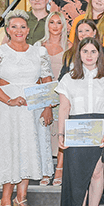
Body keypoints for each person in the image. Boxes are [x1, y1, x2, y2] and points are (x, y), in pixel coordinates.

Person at [0, 10, 53, 206]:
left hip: (32, 110)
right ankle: (5, 200)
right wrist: (9, 99)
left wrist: (48, 106)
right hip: (8, 110)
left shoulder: (39, 52)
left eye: (22, 26)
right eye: (14, 26)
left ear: (28, 30)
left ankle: (21, 198)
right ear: (7, 29)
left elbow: (47, 80)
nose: (19, 30)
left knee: (29, 150)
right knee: (11, 151)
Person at [56, 37, 104, 206]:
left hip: (101, 128)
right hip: (76, 130)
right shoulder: (68, 78)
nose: (89, 55)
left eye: (93, 51)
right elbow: (64, 108)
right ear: (79, 54)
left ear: (99, 54)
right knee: (77, 174)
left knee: (96, 172)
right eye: (85, 51)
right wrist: (61, 133)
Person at [35, 12, 69, 187]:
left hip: (63, 96)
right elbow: (34, 74)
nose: (55, 26)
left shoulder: (71, 46)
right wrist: (45, 99)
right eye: (52, 22)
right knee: (44, 135)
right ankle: (45, 170)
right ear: (47, 25)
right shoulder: (38, 46)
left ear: (63, 25)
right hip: (43, 95)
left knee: (62, 132)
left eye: (59, 23)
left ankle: (59, 169)